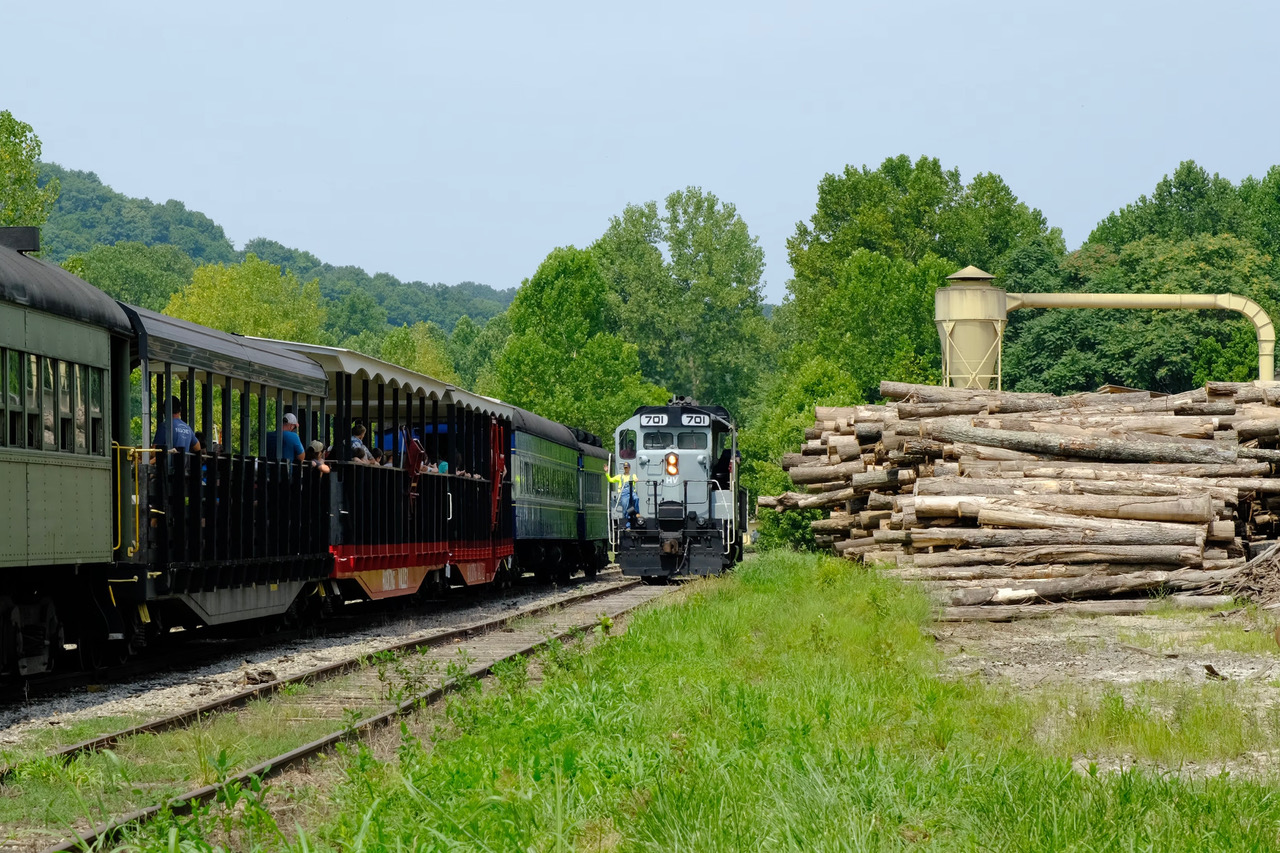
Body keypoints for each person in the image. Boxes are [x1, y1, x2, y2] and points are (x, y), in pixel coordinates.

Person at [607, 460, 639, 528]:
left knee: (636, 498)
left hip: (632, 492)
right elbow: (610, 480)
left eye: (627, 467)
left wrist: (636, 480)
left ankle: (637, 513)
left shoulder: (633, 475)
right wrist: (606, 472)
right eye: (625, 468)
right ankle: (627, 524)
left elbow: (636, 479)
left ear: (629, 468)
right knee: (625, 508)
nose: (626, 469)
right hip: (624, 494)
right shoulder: (619, 476)